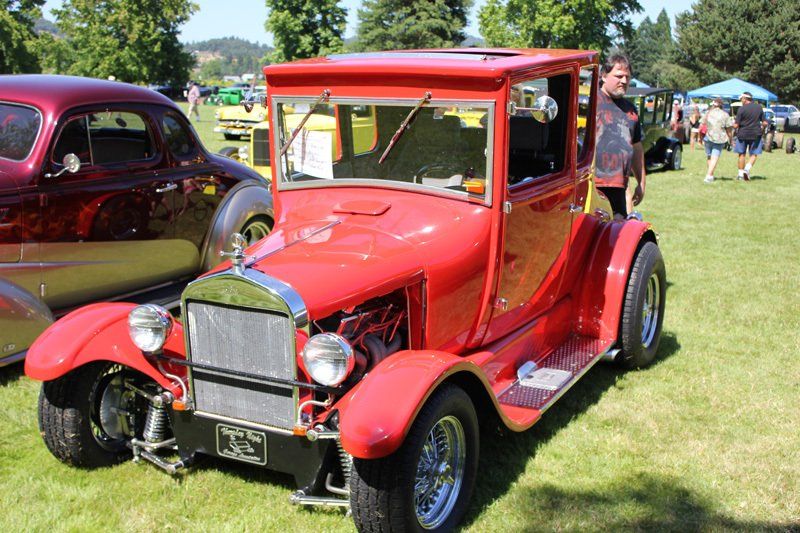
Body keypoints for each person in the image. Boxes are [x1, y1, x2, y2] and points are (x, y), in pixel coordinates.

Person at [595, 53, 645, 219]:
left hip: (618, 186)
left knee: (616, 234)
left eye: (627, 77)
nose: (624, 81)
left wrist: (641, 182)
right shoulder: (589, 104)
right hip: (591, 185)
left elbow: (637, 148)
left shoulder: (630, 110)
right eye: (618, 76)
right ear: (603, 75)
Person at [733, 92, 767, 181]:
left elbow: (736, 125)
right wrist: (763, 129)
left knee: (741, 154)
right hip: (756, 134)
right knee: (754, 154)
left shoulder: (741, 109)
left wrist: (732, 126)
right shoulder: (759, 107)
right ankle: (747, 169)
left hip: (742, 134)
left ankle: (740, 174)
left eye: (741, 99)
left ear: (745, 98)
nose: (741, 100)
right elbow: (764, 122)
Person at [700, 98, 734, 183]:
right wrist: (731, 139)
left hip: (708, 136)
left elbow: (701, 125)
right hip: (720, 138)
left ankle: (710, 174)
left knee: (709, 156)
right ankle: (709, 175)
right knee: (715, 157)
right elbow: (729, 129)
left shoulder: (708, 113)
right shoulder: (725, 115)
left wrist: (700, 138)